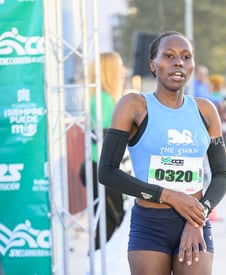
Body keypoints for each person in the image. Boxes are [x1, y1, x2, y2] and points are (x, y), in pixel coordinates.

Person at [98, 31, 226, 275]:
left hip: (195, 222)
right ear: (153, 64)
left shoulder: (206, 110)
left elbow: (222, 173)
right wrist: (168, 195)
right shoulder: (134, 106)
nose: (178, 62)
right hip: (150, 225)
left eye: (186, 56)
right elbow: (107, 172)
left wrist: (199, 215)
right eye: (169, 56)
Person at [79, 51, 126, 250]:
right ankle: (95, 265)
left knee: (108, 223)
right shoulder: (104, 100)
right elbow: (106, 136)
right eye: (120, 67)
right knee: (112, 222)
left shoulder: (102, 98)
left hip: (100, 167)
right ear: (111, 71)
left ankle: (96, 264)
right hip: (101, 168)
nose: (123, 72)